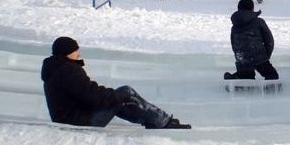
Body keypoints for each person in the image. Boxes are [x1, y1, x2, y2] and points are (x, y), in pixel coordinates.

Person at [41, 36, 189, 129]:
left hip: (73, 116)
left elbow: (86, 93)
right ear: (66, 53)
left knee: (118, 99)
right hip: (80, 121)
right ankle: (161, 121)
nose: (78, 53)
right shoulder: (67, 70)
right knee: (125, 93)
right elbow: (92, 94)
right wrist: (117, 96)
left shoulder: (58, 68)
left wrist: (115, 98)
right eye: (75, 50)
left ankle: (154, 120)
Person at [224, 0, 279, 80]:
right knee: (272, 75)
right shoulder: (259, 21)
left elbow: (234, 44)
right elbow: (269, 40)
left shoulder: (235, 26)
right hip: (258, 55)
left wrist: (240, 57)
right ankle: (269, 90)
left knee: (246, 76)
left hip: (242, 58)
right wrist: (266, 56)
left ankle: (238, 77)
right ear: (252, 8)